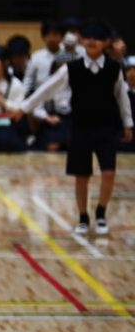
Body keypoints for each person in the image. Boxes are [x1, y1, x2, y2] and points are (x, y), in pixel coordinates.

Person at [17, 19, 133, 235]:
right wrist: (24, 108)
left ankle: (100, 213)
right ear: (82, 40)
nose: (91, 41)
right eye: (87, 37)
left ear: (106, 42)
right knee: (82, 175)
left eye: (97, 38)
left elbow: (122, 97)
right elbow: (46, 90)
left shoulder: (114, 69)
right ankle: (82, 217)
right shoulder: (72, 68)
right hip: (81, 127)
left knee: (109, 173)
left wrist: (128, 123)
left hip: (107, 127)